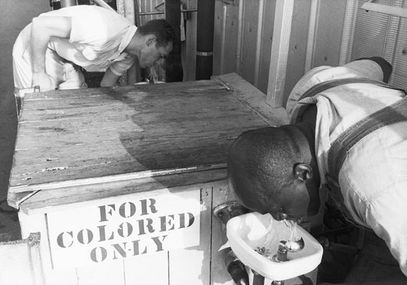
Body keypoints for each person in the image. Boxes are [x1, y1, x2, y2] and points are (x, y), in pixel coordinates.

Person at [227, 57, 407, 276]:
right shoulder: (312, 85)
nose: (277, 219)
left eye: (280, 211)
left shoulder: (375, 190)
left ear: (302, 173)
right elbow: (381, 64)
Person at [12, 5, 175, 91]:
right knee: (38, 114)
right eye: (160, 55)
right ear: (150, 41)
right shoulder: (104, 29)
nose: (158, 62)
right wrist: (39, 73)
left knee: (72, 114)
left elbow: (106, 86)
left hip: (66, 60)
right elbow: (41, 26)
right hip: (37, 47)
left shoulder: (128, 57)